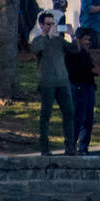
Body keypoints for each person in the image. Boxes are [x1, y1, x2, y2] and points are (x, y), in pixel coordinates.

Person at [28, 11, 73, 156]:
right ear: (41, 25)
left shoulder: (58, 40)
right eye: (48, 24)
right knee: (46, 114)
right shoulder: (38, 39)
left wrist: (72, 35)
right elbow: (36, 48)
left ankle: (70, 146)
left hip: (63, 80)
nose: (51, 26)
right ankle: (44, 147)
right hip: (47, 82)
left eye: (53, 24)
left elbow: (75, 49)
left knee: (69, 112)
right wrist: (47, 35)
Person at [65, 27, 99, 156]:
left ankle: (83, 147)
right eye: (85, 39)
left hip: (88, 87)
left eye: (88, 40)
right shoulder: (72, 52)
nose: (87, 42)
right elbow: (77, 70)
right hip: (79, 87)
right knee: (78, 118)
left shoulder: (85, 52)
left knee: (88, 119)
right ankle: (71, 145)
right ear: (79, 39)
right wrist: (93, 71)